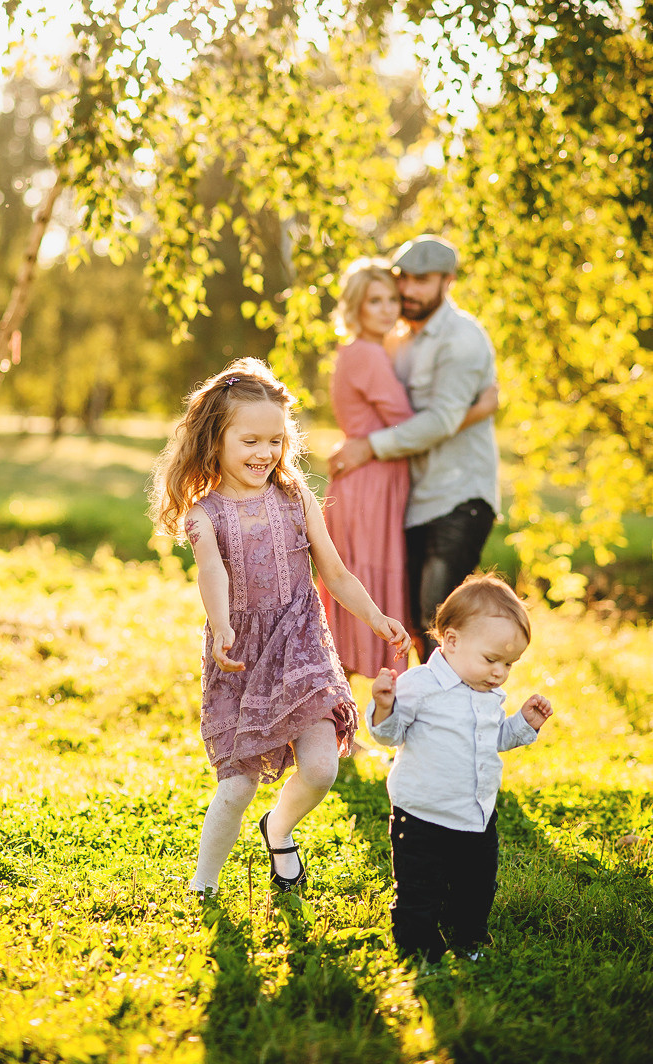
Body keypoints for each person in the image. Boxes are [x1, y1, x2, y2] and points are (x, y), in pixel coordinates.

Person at [149, 357, 411, 896]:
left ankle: (280, 827)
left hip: (301, 644)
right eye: (249, 441)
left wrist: (377, 618)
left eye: (274, 441)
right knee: (238, 785)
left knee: (321, 769)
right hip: (241, 656)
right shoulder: (205, 516)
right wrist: (222, 628)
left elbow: (334, 573)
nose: (264, 454)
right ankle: (205, 884)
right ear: (214, 440)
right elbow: (213, 576)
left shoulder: (295, 498)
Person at [319, 258, 497, 679]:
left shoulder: (376, 350)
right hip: (368, 485)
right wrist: (477, 408)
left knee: (368, 591)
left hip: (376, 482)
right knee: (360, 592)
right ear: (355, 308)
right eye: (373, 301)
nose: (387, 309)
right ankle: (333, 716)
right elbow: (413, 420)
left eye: (390, 300)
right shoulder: (368, 354)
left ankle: (359, 716)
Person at [366, 574, 553, 963]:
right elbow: (389, 735)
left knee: (477, 886)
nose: (500, 672)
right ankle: (418, 950)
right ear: (451, 640)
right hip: (422, 816)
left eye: (509, 664)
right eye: (491, 659)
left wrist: (523, 723)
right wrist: (384, 707)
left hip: (476, 813)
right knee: (421, 888)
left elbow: (493, 738)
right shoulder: (420, 685)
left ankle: (467, 937)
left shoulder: (488, 692)